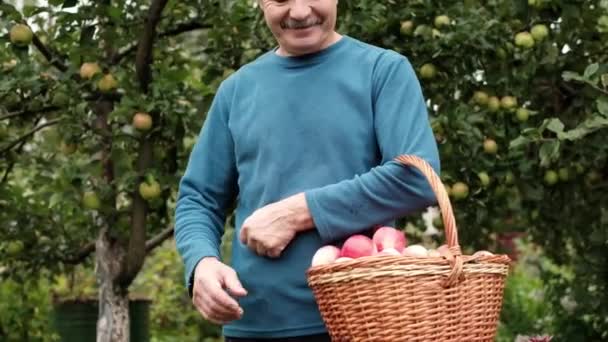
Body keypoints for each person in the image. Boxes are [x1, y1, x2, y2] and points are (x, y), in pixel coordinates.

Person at [174, 0, 441, 341]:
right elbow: (198, 198)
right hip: (254, 324)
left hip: (360, 320)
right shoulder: (236, 90)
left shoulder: (383, 71)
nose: (299, 12)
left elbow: (416, 178)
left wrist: (299, 212)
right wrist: (201, 262)